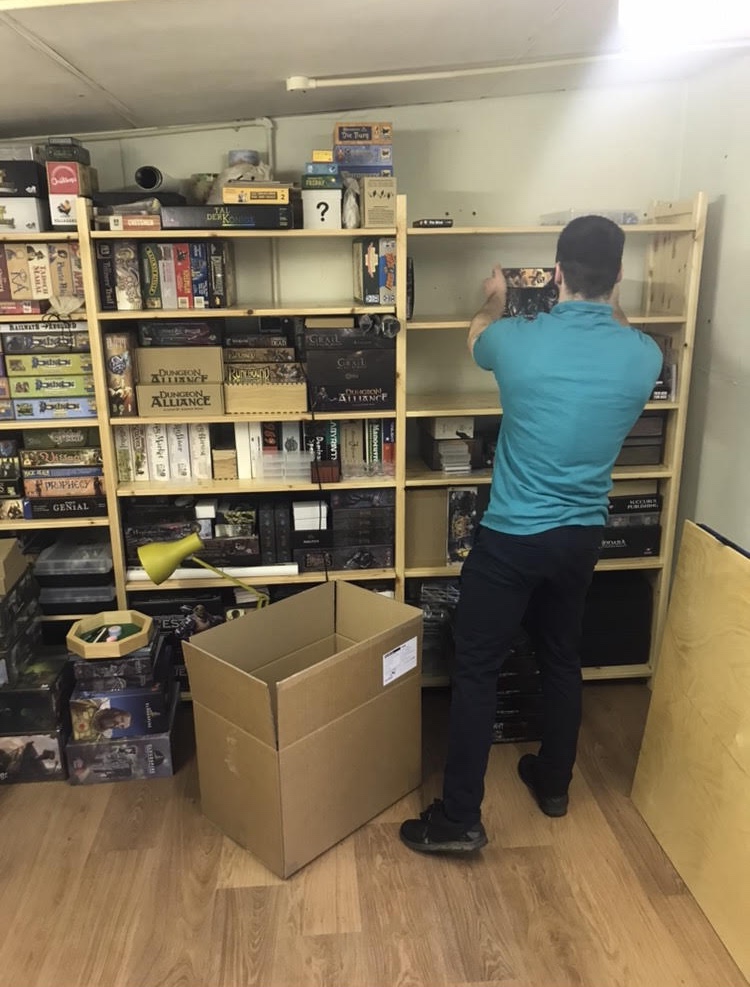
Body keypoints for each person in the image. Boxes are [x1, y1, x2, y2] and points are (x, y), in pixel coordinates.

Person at [400, 215, 663, 854]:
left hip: (512, 538)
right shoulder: (644, 355)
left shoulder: (515, 339)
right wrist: (606, 302)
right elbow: (619, 326)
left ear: (556, 272)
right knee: (561, 657)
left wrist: (495, 296)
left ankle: (459, 819)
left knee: (477, 668)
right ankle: (553, 783)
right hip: (582, 537)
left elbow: (476, 337)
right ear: (619, 276)